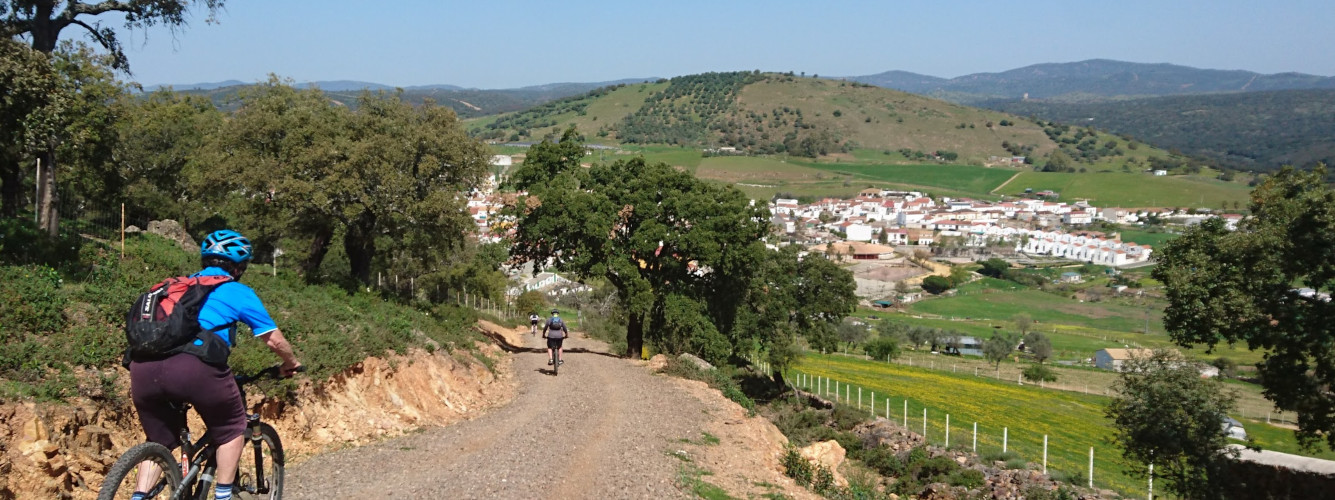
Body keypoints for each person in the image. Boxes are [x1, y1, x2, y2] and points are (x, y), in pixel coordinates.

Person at [128, 230, 301, 500]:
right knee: (232, 427)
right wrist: (290, 362)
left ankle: (139, 496)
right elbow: (274, 341)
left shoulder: (173, 286)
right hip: (193, 368)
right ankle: (222, 495)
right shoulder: (235, 290)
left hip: (142, 368)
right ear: (240, 266)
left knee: (159, 442)